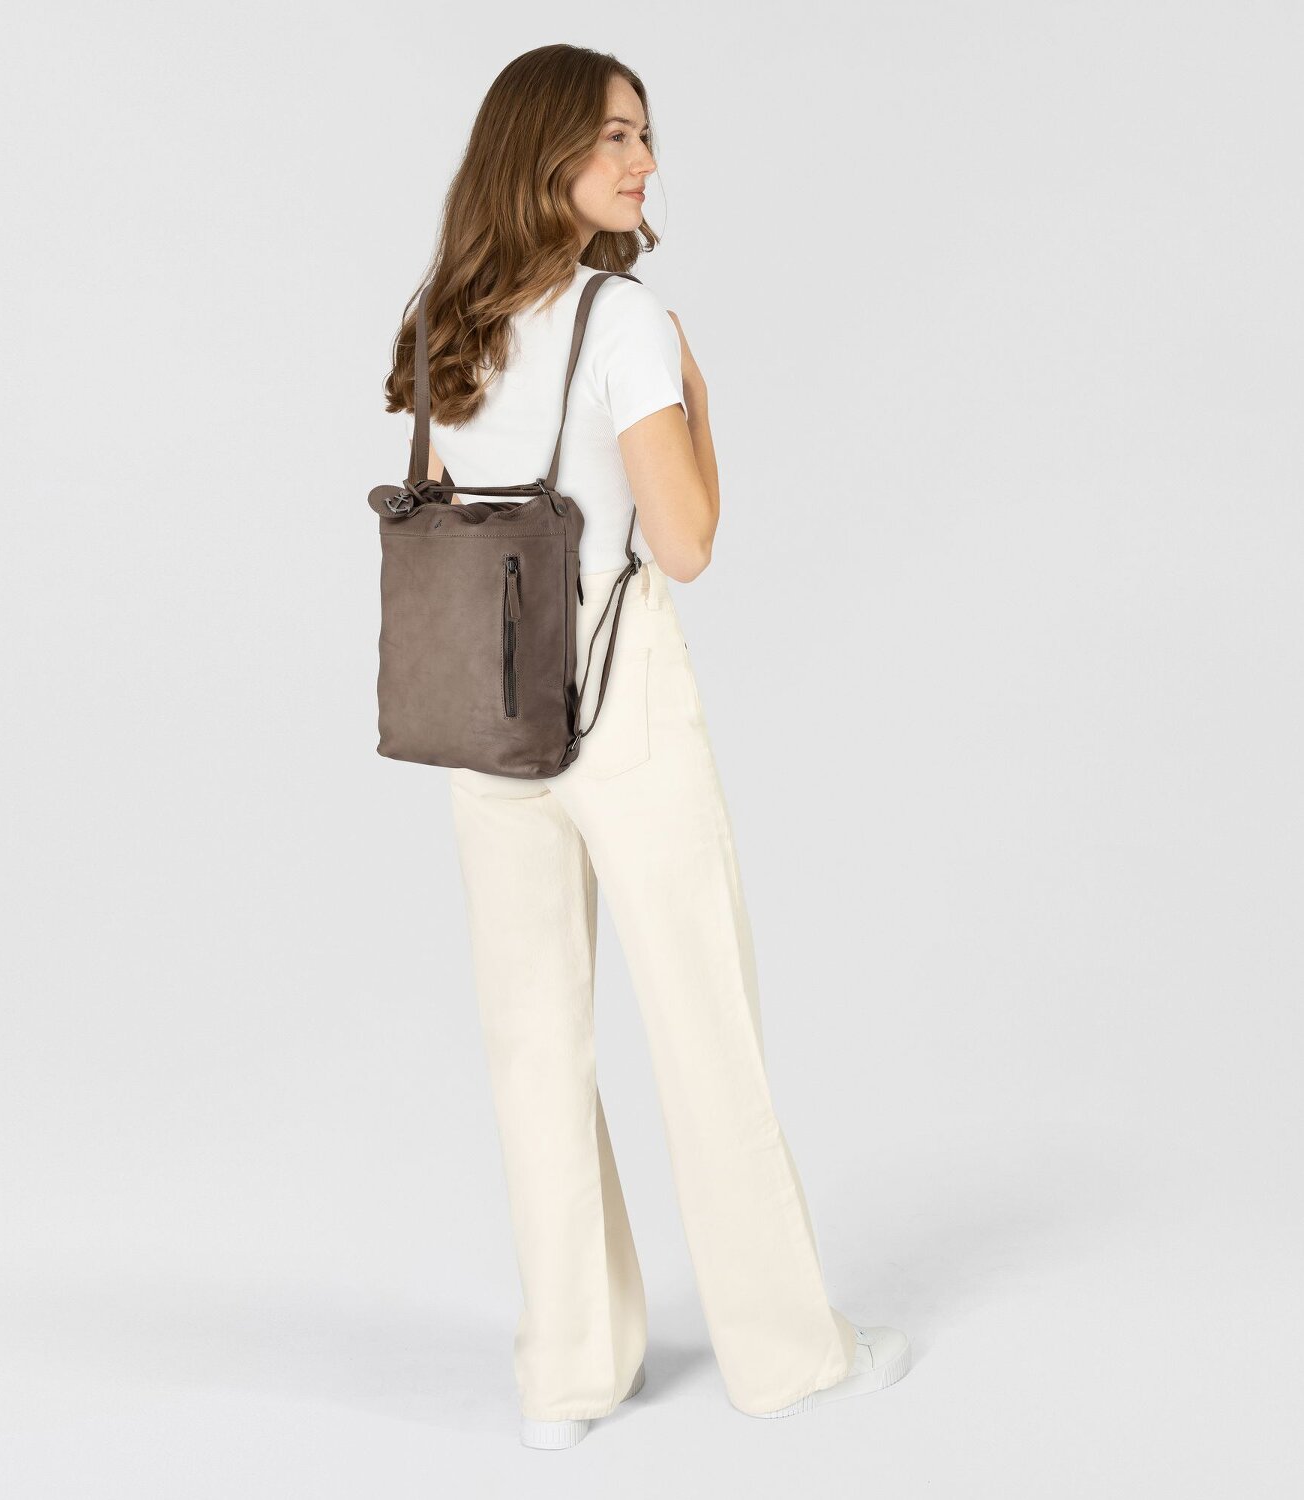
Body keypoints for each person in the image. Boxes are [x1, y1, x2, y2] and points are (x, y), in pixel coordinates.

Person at [382, 44, 910, 1450]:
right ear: (544, 146)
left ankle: (567, 1378)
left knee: (532, 1044)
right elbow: (686, 544)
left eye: (645, 135)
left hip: (484, 721)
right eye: (616, 135)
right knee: (703, 1024)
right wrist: (698, 402)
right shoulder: (625, 320)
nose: (645, 162)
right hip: (620, 708)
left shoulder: (442, 320)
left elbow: (434, 510)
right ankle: (786, 1358)